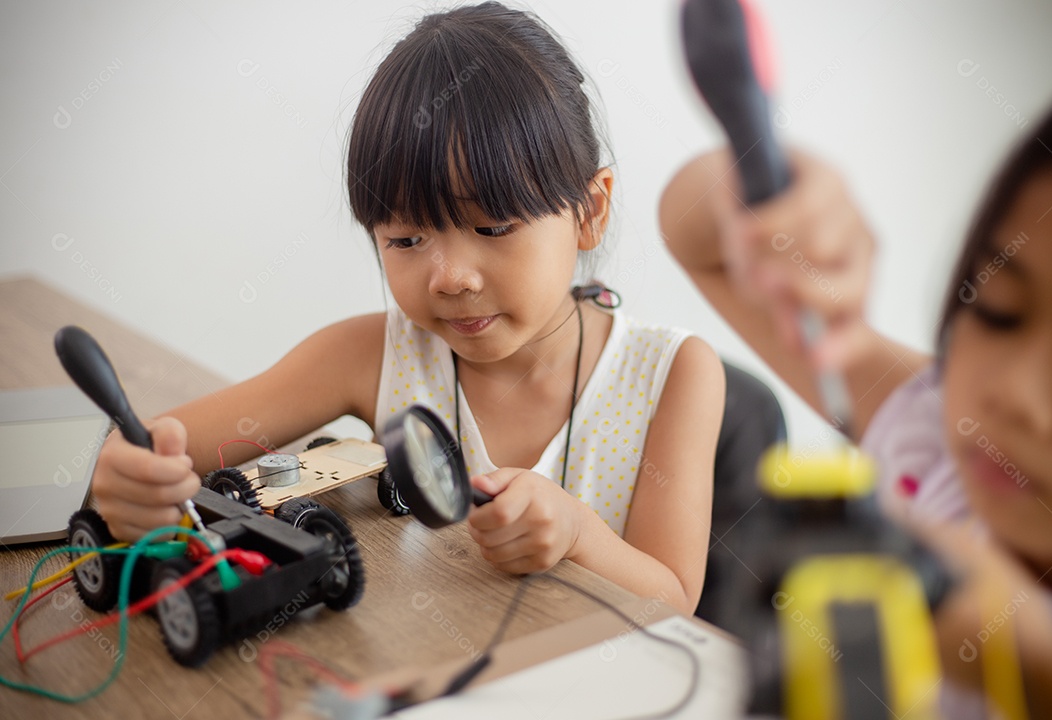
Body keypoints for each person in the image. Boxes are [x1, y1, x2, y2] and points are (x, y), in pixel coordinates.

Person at [90, 2, 725, 615]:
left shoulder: (673, 374)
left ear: (590, 210)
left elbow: (671, 599)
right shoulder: (368, 356)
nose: (449, 278)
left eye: (495, 226)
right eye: (406, 240)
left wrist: (579, 534)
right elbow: (153, 448)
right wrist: (127, 478)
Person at [660, 83, 1052, 716]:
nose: (1018, 397)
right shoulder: (934, 428)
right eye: (998, 310)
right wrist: (777, 193)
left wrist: (1046, 680)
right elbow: (693, 231)